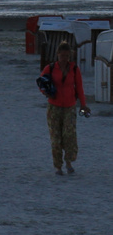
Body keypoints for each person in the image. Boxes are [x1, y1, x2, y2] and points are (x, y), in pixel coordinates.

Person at [39, 41, 90, 174]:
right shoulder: (50, 68)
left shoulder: (74, 69)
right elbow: (41, 83)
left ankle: (68, 161)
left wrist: (83, 105)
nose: (64, 59)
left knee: (69, 135)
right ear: (57, 55)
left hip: (69, 106)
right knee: (55, 138)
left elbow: (79, 88)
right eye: (62, 56)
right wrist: (46, 92)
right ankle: (58, 166)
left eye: (67, 56)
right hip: (54, 107)